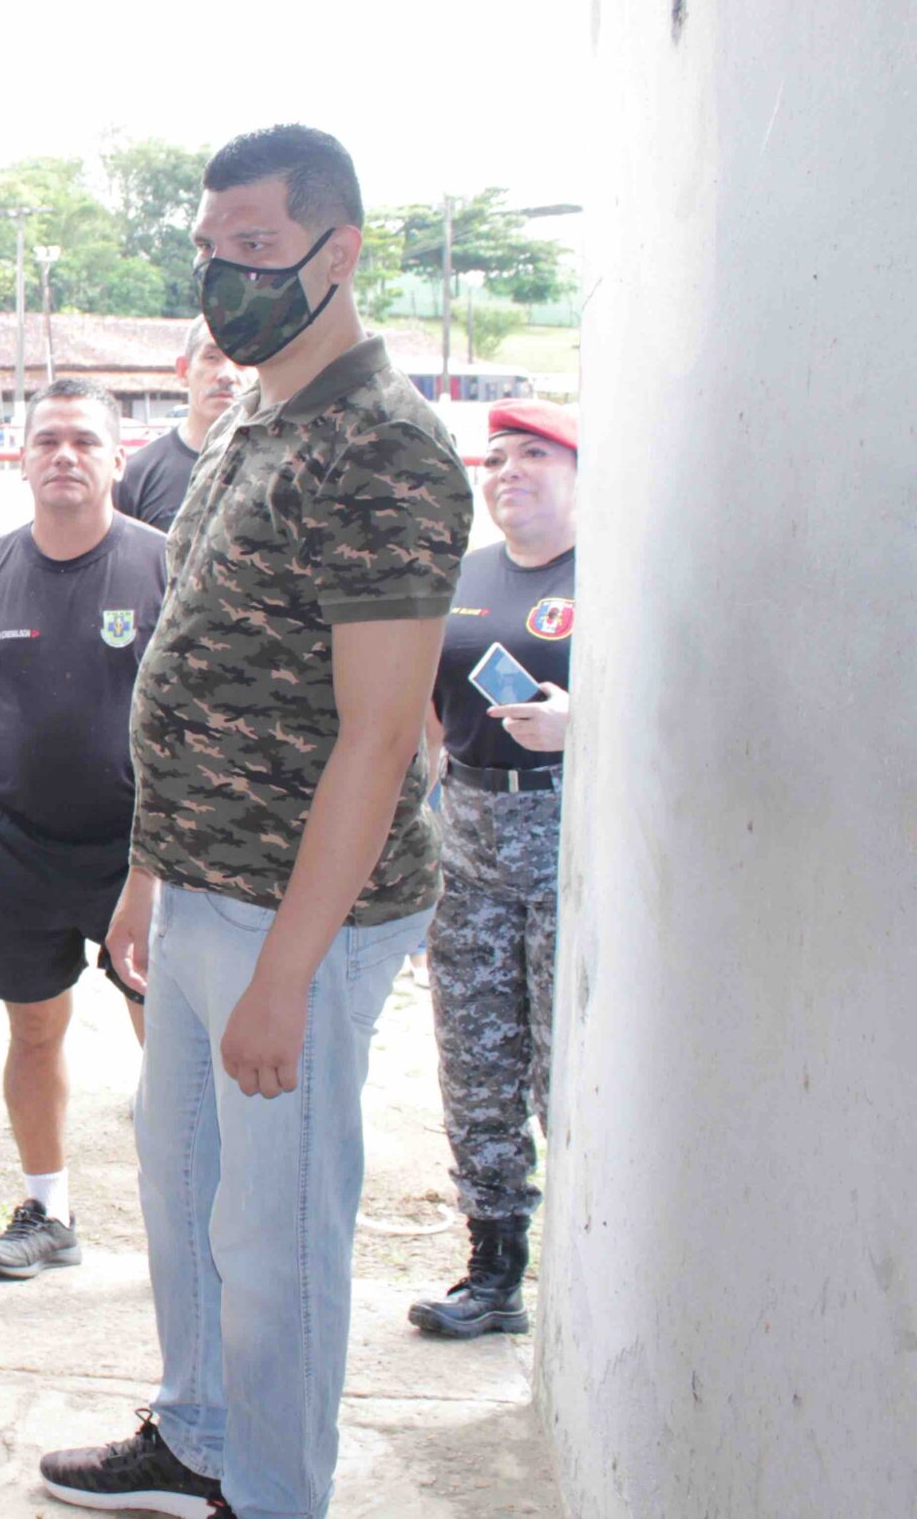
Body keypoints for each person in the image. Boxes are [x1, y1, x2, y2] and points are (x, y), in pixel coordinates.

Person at [40, 125, 473, 1519]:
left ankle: (276, 1493)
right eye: (209, 246)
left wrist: (287, 973)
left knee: (277, 1237)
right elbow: (205, 651)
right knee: (185, 1187)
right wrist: (147, 872)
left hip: (301, 913)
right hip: (201, 887)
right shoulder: (255, 414)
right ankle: (198, 1435)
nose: (222, 273)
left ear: (337, 252)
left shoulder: (384, 448)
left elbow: (379, 736)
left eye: (255, 247)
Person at [0, 378, 164, 1283]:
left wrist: (159, 863)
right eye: (47, 440)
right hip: (18, 848)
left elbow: (198, 725)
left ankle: (189, 1213)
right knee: (32, 1032)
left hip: (139, 854)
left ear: (118, 459)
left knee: (169, 1042)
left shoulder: (166, 566)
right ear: (20, 458)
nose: (65, 455)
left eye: (85, 440)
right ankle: (48, 1209)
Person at [408, 399, 576, 1340]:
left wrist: (580, 724)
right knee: (475, 1061)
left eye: (535, 455)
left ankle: (585, 1271)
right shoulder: (464, 576)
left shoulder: (611, 576)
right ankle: (494, 1268)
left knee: (565, 1068)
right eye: (497, 457)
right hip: (469, 842)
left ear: (580, 472)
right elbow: (431, 707)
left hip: (567, 843)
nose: (509, 471)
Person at [115, 317, 248, 531]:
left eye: (242, 360)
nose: (226, 375)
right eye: (212, 357)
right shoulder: (138, 474)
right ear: (184, 369)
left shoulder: (280, 467)